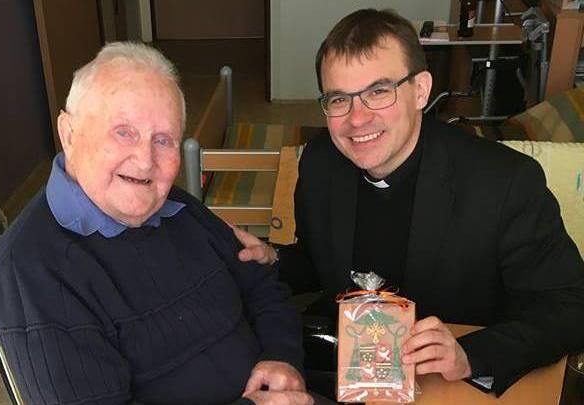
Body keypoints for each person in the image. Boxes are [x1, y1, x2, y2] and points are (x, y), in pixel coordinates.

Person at [233, 8, 584, 396]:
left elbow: (570, 305)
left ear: (420, 90)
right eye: (339, 99)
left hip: (453, 388)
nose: (357, 119)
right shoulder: (320, 163)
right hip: (355, 374)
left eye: (378, 92)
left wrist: (470, 355)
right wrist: (273, 258)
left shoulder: (504, 181)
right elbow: (321, 263)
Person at [0, 42, 315, 405]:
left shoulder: (176, 207)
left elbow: (261, 285)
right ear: (69, 133)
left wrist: (282, 355)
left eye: (163, 140)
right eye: (123, 132)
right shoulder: (33, 271)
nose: (145, 161)